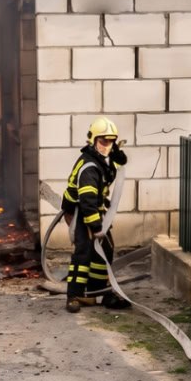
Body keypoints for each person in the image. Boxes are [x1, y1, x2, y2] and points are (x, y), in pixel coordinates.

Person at [61, 116, 130, 312]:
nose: (106, 146)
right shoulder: (89, 168)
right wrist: (96, 226)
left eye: (110, 142)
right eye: (103, 141)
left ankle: (100, 293)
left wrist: (117, 160)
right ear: (93, 141)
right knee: (84, 251)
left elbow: (107, 175)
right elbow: (87, 201)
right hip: (80, 212)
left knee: (106, 249)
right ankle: (73, 296)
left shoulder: (100, 160)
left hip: (94, 210)